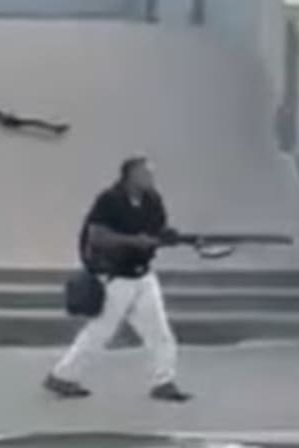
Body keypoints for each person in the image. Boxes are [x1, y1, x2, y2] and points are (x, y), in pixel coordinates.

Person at [44, 156, 192, 403]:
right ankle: (62, 376)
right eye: (145, 173)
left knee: (159, 332)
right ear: (130, 176)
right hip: (116, 277)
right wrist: (134, 241)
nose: (150, 178)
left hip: (143, 275)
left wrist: (169, 237)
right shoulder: (110, 200)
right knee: (100, 332)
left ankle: (164, 382)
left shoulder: (152, 200)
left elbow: (156, 231)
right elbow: (97, 236)